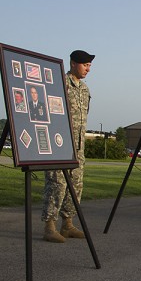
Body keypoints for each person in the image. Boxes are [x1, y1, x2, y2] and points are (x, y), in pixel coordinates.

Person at [42, 50, 95, 243]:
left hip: (78, 148)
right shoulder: (60, 83)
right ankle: (49, 226)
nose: (88, 69)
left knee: (75, 186)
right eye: (85, 65)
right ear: (73, 63)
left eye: (89, 66)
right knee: (57, 185)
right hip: (60, 144)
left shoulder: (85, 89)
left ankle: (68, 224)